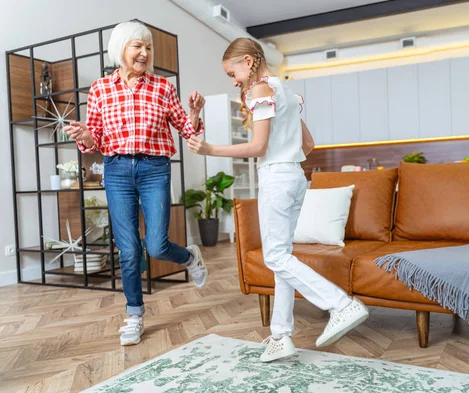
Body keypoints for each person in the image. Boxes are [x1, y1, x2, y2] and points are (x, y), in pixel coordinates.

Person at [187, 38, 369, 362]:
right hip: (296, 178)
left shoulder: (260, 91)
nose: (233, 81)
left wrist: (210, 149)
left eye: (232, 73)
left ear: (247, 60)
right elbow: (309, 144)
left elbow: (258, 147)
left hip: (276, 178)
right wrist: (286, 152)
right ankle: (280, 335)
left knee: (275, 258)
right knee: (281, 257)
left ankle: (340, 305)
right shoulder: (285, 92)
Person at [64, 21, 208, 346]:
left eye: (148, 47)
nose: (144, 53)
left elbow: (187, 129)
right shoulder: (100, 89)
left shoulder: (163, 88)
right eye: (137, 46)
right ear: (121, 49)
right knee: (128, 249)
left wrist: (196, 113)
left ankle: (189, 258)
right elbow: (96, 139)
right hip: (116, 169)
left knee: (156, 245)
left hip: (154, 168)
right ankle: (134, 313)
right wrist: (86, 136)